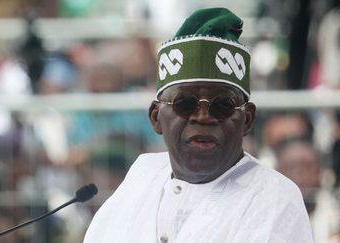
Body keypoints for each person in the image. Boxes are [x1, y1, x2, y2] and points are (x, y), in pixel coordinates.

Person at [83, 7, 314, 243]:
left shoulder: (274, 198)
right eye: (185, 103)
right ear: (156, 117)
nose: (203, 117)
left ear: (247, 120)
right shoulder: (142, 177)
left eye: (222, 105)